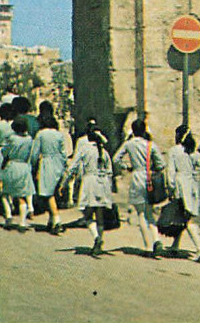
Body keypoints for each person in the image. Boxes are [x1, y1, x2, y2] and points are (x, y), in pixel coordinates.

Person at [113, 118, 166, 257]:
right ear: (144, 130)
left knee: (141, 213)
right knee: (150, 213)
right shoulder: (150, 145)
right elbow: (161, 164)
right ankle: (157, 240)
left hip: (136, 177)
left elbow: (116, 159)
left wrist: (126, 167)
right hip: (149, 178)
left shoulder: (129, 144)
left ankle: (148, 246)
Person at [167, 125, 200, 262]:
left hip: (180, 186)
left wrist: (170, 188)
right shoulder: (194, 153)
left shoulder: (173, 151)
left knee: (187, 219)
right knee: (182, 216)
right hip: (192, 187)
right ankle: (174, 246)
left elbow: (171, 172)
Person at [72, 121, 113, 255]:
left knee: (87, 213)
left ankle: (96, 238)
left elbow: (74, 165)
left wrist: (65, 180)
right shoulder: (105, 152)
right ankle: (100, 240)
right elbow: (110, 172)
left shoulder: (85, 150)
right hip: (103, 183)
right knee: (100, 213)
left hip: (90, 182)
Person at [31, 102, 68, 234]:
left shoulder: (40, 134)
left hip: (47, 162)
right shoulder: (59, 134)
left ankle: (57, 220)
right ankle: (51, 221)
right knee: (53, 191)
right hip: (58, 162)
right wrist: (65, 166)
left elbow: (35, 153)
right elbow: (63, 152)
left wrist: (33, 165)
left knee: (48, 193)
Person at [0, 116, 36, 231]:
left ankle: (8, 215)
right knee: (22, 196)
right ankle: (22, 222)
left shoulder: (11, 138)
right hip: (24, 167)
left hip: (12, 165)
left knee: (5, 192)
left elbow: (4, 152)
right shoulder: (30, 139)